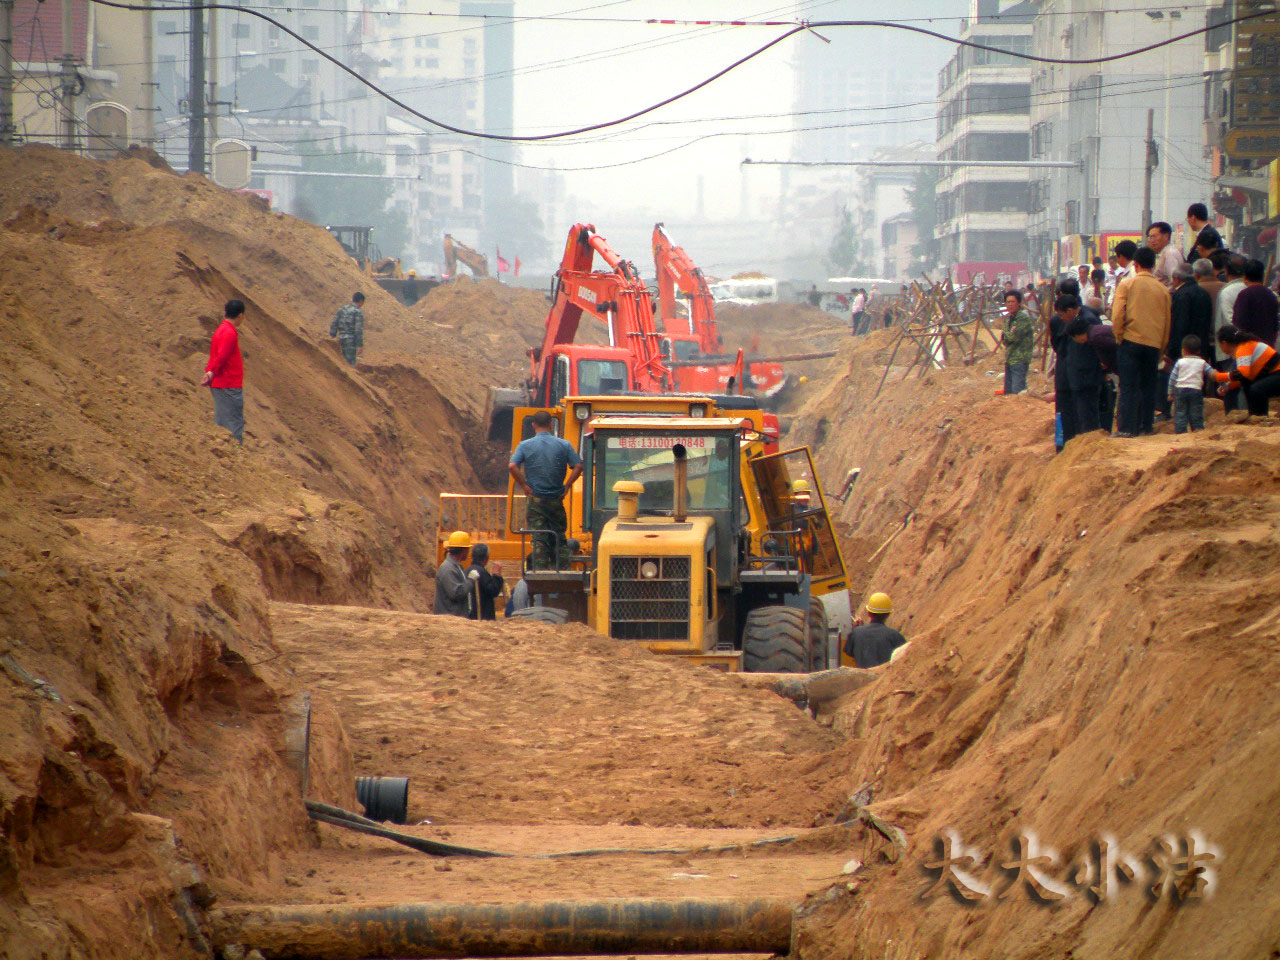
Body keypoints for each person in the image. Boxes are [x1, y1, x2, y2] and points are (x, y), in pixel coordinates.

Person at [508, 409, 583, 570]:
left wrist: (524, 485)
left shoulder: (524, 445)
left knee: (539, 538)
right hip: (556, 499)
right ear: (551, 424)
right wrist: (567, 485)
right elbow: (578, 466)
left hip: (536, 500)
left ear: (534, 425)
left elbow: (512, 466)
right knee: (559, 537)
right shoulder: (564, 445)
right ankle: (562, 571)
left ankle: (539, 572)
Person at [1111, 246, 1171, 437]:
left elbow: (1118, 314)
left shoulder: (1127, 284)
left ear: (1135, 264)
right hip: (1153, 344)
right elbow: (1167, 323)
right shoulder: (1163, 290)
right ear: (1153, 266)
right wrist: (1161, 347)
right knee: (1148, 387)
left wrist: (1118, 336)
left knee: (1128, 386)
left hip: (1130, 340)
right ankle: (1146, 426)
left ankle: (1127, 428)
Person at [1162, 262, 1214, 419]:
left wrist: (1171, 351)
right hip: (1201, 346)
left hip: (1184, 349)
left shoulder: (1181, 295)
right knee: (1198, 383)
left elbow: (1179, 325)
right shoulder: (1203, 293)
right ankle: (1197, 417)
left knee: (1182, 384)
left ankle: (1178, 417)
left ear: (1176, 278)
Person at [200, 299, 247, 444]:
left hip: (221, 382)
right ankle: (235, 451)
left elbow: (215, 355)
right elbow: (222, 356)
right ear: (240, 316)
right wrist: (212, 372)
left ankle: (223, 448)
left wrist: (210, 372)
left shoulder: (220, 330)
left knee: (223, 418)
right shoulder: (229, 333)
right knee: (234, 419)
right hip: (228, 382)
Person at [1212, 326, 1280, 419]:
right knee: (1249, 386)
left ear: (1224, 343)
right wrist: (1229, 386)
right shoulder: (1245, 346)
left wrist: (1218, 376)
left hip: (1276, 374)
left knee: (1256, 389)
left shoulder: (1243, 348)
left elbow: (1242, 373)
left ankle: (1260, 417)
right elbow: (1245, 377)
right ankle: (1255, 416)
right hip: (1272, 373)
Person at [1059, 305, 1105, 438]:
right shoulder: (1088, 327)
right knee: (1085, 414)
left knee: (1089, 415)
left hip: (1088, 378)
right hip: (1083, 377)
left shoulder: (1093, 332)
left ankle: (1092, 440)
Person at [1072, 317, 1119, 432]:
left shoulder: (1095, 337)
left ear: (1078, 335)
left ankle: (1126, 428)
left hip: (1125, 366)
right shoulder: (1095, 334)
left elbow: (1119, 346)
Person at [844, 593, 907, 669]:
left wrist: (857, 630)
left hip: (863, 678)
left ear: (869, 613)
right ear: (888, 614)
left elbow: (849, 651)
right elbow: (904, 659)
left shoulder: (856, 633)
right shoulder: (896, 636)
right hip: (884, 679)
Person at [1166, 335, 1214, 433]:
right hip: (1196, 390)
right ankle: (1198, 430)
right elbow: (1211, 373)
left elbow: (1172, 378)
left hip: (1180, 390)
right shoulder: (1202, 362)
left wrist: (1170, 392)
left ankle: (1180, 432)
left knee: (1180, 412)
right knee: (1196, 412)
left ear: (1183, 350)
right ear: (1199, 351)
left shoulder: (1180, 362)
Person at [1231, 258, 1279, 347]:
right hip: (1268, 347)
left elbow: (1239, 323)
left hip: (1250, 347)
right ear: (1262, 275)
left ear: (1244, 276)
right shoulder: (1271, 295)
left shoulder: (1245, 295)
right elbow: (1275, 324)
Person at [1000, 289, 1033, 395]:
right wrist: (1007, 335)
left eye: (1012, 302)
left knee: (1017, 393)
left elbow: (1013, 337)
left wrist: (1007, 335)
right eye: (1008, 302)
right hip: (1010, 359)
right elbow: (1004, 339)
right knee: (1009, 393)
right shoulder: (1010, 319)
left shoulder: (1022, 318)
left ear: (1019, 303)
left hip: (1019, 360)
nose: (1010, 304)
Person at [434, 530, 473, 617]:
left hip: (455, 617)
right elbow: (457, 593)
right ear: (463, 551)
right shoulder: (448, 569)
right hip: (449, 619)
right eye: (468, 549)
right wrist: (470, 580)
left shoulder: (456, 566)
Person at [1216, 254, 1248, 361]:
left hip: (1230, 348)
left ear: (1226, 271)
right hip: (1246, 345)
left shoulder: (1227, 291)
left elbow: (1230, 320)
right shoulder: (1248, 287)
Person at [465, 543, 504, 621]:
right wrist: (496, 575)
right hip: (482, 616)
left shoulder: (467, 570)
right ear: (486, 557)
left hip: (471, 614)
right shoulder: (481, 572)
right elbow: (493, 590)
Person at [1147, 222, 1186, 291]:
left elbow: (1176, 281)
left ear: (1166, 236)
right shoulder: (1165, 254)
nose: (1152, 241)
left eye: (1154, 236)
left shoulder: (1170, 254)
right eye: (1150, 237)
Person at [330, 292, 366, 365]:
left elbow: (334, 323)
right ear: (361, 301)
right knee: (349, 365)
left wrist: (332, 336)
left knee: (340, 363)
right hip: (350, 342)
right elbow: (358, 330)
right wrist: (360, 345)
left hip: (340, 339)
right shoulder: (357, 312)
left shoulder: (342, 309)